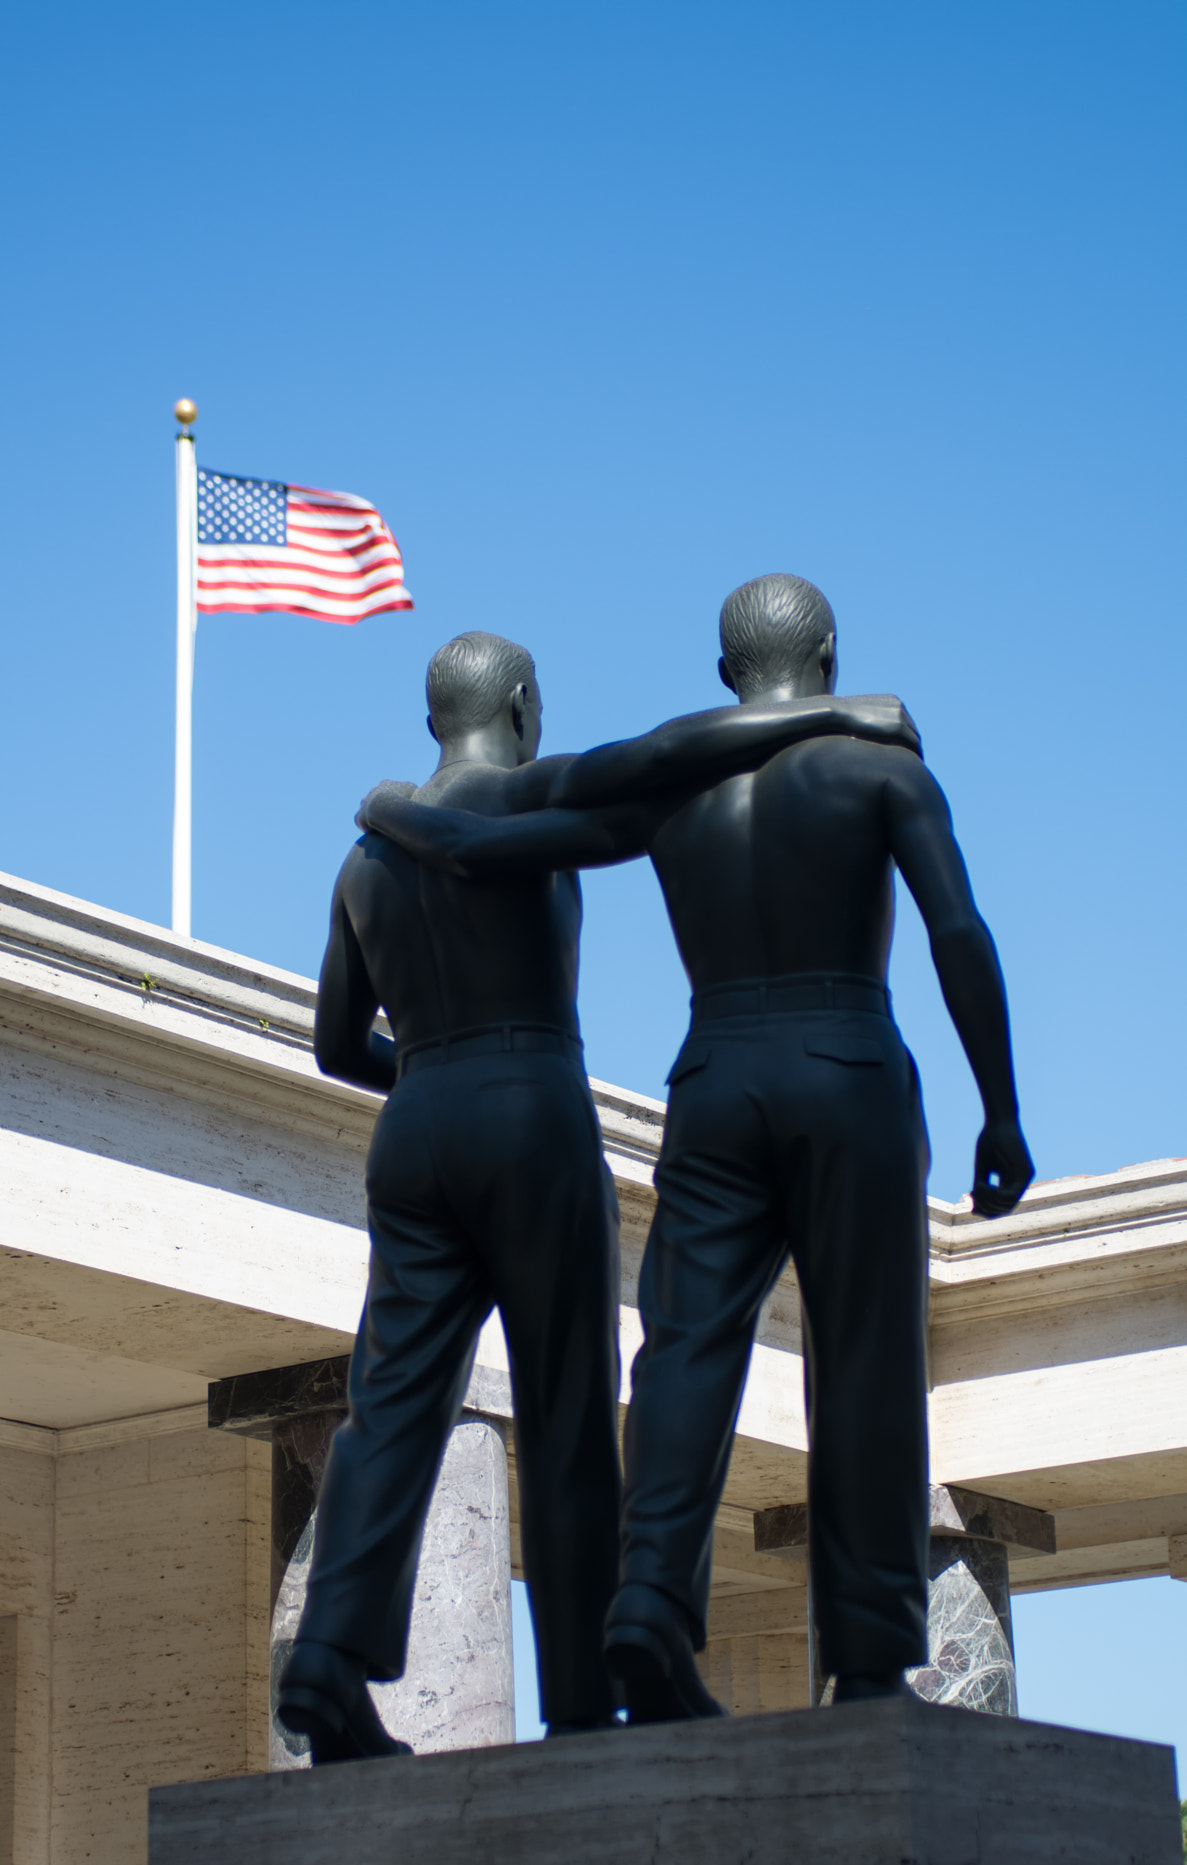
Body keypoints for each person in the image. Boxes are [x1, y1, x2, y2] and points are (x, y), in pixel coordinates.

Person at [354, 576, 1034, 1725]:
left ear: (727, 674)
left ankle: (650, 1601)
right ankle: (867, 1654)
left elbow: (474, 841)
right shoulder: (882, 770)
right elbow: (955, 928)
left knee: (681, 1351)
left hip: (714, 1077)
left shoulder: (672, 799)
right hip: (849, 1060)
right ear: (825, 653)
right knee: (863, 1360)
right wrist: (999, 1107)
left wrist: (380, 804)